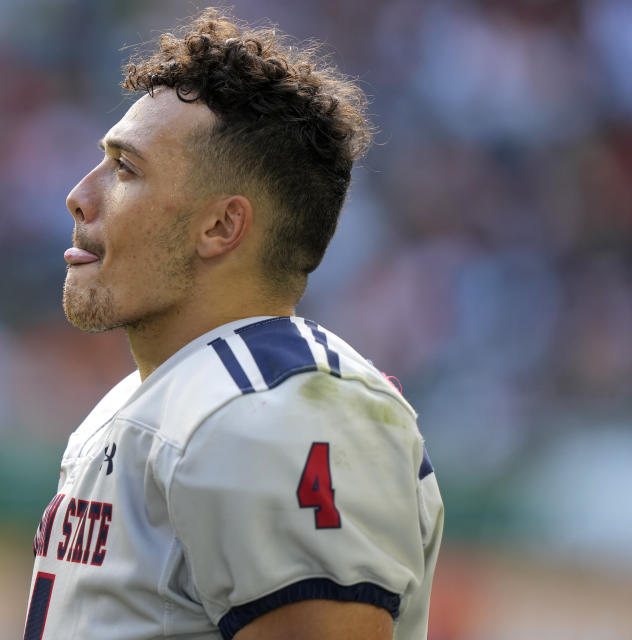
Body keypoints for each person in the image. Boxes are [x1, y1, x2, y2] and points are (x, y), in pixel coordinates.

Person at [24, 8, 443, 640]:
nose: (80, 194)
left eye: (126, 169)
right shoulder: (169, 393)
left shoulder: (279, 407)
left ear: (222, 226)